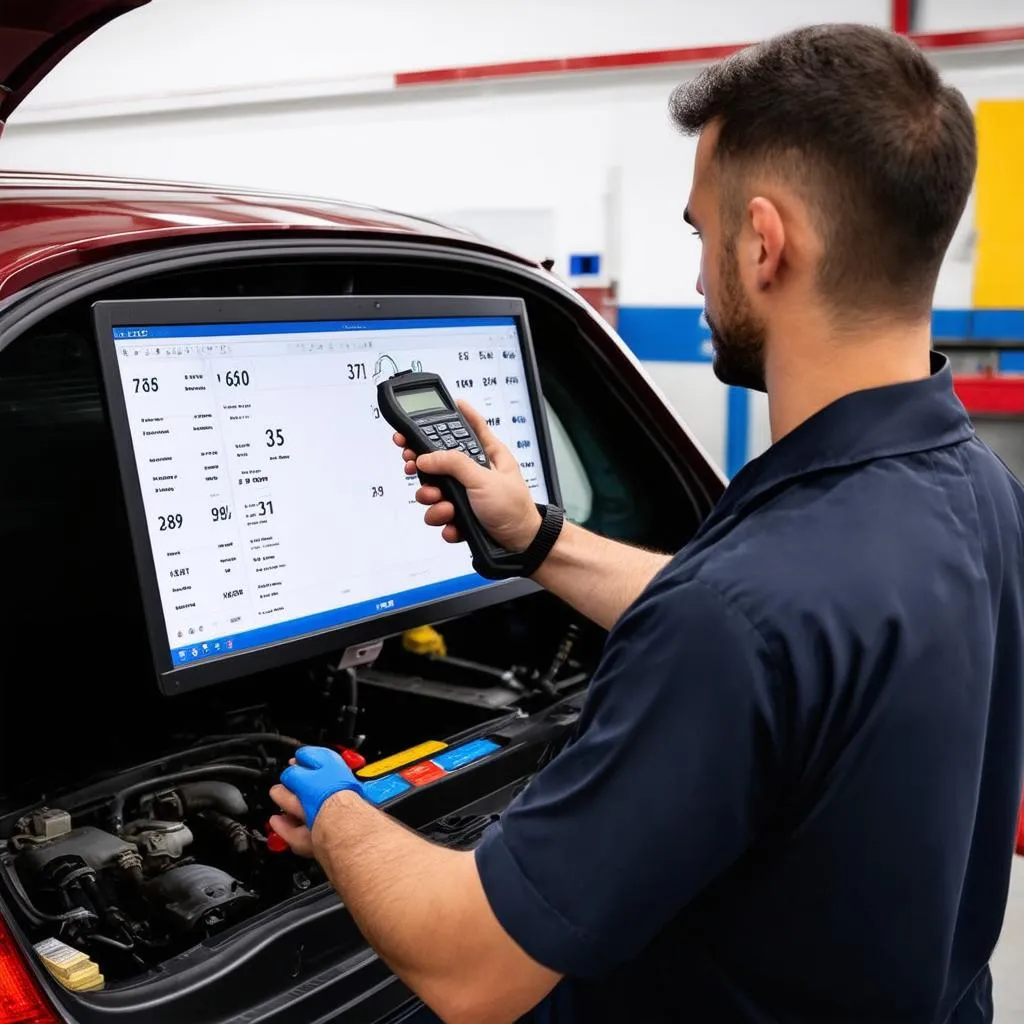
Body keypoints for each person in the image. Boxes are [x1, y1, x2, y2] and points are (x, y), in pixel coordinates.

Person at [269, 23, 1024, 1023]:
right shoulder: (973, 488)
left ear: (765, 241)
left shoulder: (741, 610)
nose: (701, 278)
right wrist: (537, 536)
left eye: (700, 233)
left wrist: (339, 818)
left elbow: (470, 970)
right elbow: (780, 645)